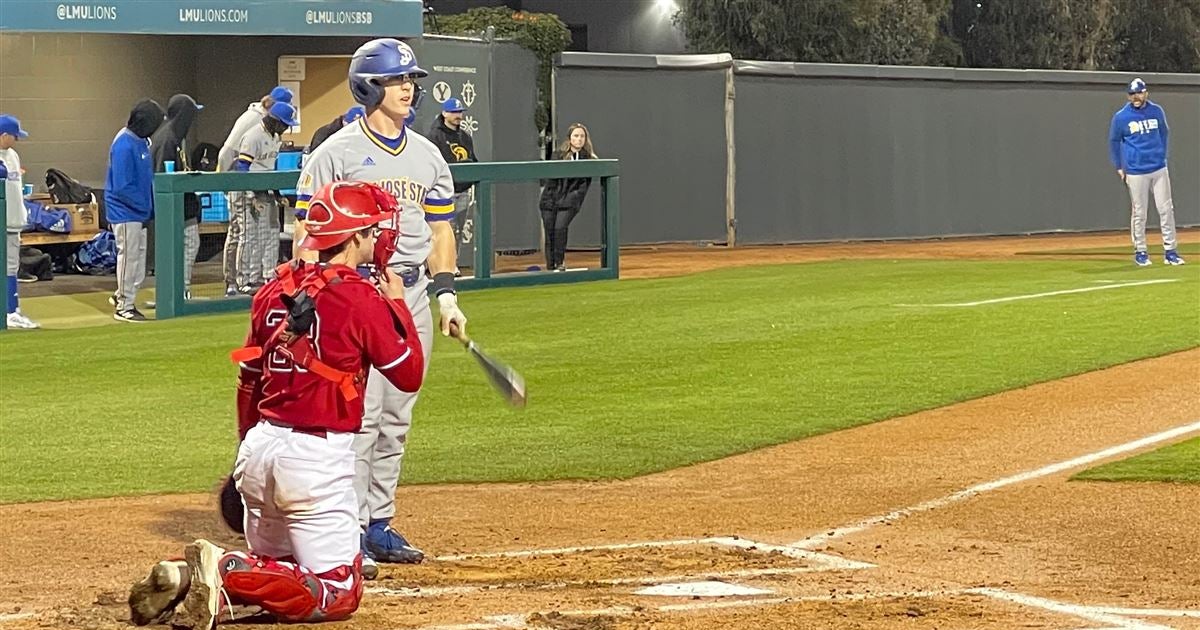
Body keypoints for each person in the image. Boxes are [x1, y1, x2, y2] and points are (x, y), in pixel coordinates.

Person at [126, 180, 426, 628]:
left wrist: (243, 458)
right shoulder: (360, 298)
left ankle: (186, 574)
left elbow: (249, 380)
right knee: (338, 593)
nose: (381, 235)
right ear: (356, 236)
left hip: (260, 450)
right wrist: (398, 305)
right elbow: (409, 374)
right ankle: (224, 569)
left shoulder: (273, 290)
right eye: (373, 229)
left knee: (280, 578)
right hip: (315, 462)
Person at [295, 38, 467, 579]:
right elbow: (308, 230)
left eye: (410, 79)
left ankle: (379, 523)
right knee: (361, 417)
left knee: (396, 416)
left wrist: (446, 294)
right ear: (370, 86)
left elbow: (440, 229)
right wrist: (309, 294)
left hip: (411, 294)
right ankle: (346, 528)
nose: (407, 88)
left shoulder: (428, 155)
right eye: (396, 80)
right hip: (354, 297)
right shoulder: (335, 154)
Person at [220, 86, 295, 295]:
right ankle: (242, 280)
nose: (285, 129)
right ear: (275, 120)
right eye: (284, 125)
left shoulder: (275, 138)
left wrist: (277, 194)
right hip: (245, 191)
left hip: (263, 191)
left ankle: (259, 277)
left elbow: (269, 169)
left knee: (266, 234)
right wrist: (251, 195)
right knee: (246, 236)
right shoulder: (253, 135)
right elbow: (242, 167)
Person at [1108, 78, 1184, 267]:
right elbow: (1114, 141)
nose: (1136, 97)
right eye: (1133, 94)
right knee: (1139, 212)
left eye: (1139, 93)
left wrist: (1162, 155)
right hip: (1135, 170)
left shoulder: (1156, 111)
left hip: (1158, 168)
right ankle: (1140, 251)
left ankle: (1170, 251)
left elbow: (1164, 133)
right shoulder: (1121, 117)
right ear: (1128, 96)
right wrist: (1119, 165)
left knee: (1166, 209)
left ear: (1146, 93)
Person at [106, 99, 166, 323]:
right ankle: (123, 306)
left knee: (138, 263)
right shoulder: (123, 144)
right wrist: (145, 207)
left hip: (139, 212)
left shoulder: (141, 142)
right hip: (125, 212)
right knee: (129, 258)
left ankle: (124, 295)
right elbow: (122, 187)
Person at [150, 94, 204, 298]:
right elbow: (162, 175)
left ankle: (180, 290)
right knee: (181, 248)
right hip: (173, 207)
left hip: (184, 206)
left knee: (188, 246)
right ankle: (176, 292)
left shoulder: (177, 136)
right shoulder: (167, 138)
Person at [427, 97, 478, 272]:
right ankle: (440, 266)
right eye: (454, 112)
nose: (458, 115)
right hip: (444, 193)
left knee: (457, 231)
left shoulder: (465, 136)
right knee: (444, 230)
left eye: (460, 112)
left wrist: (471, 178)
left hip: (462, 191)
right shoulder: (435, 136)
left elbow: (473, 160)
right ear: (444, 113)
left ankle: (452, 264)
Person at [538, 123, 597, 271]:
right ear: (569, 138)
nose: (579, 139)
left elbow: (582, 187)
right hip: (550, 201)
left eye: (582, 136)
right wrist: (552, 200)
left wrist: (570, 200)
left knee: (560, 228)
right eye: (576, 136)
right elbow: (551, 181)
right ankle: (550, 266)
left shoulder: (588, 159)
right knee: (550, 231)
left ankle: (560, 263)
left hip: (569, 202)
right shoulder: (558, 155)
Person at [0, 114, 39, 329]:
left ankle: (11, 309)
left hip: (14, 220)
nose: (17, 139)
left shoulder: (13, 155)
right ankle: (8, 311)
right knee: (7, 267)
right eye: (14, 136)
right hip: (1, 222)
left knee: (12, 267)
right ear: (4, 135)